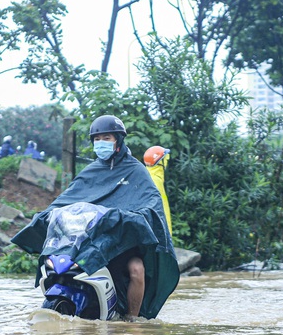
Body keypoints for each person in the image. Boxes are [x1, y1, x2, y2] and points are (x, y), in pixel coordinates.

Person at [12, 115, 179, 320]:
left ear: (118, 140)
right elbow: (68, 199)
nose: (101, 143)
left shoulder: (136, 170)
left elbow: (151, 203)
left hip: (122, 241)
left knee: (137, 270)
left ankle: (132, 321)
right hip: (91, 241)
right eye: (97, 139)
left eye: (106, 138)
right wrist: (48, 213)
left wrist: (129, 217)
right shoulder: (91, 171)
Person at [143, 146, 172, 234]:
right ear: (160, 162)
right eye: (165, 160)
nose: (166, 162)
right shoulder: (154, 180)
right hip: (159, 235)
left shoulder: (147, 176)